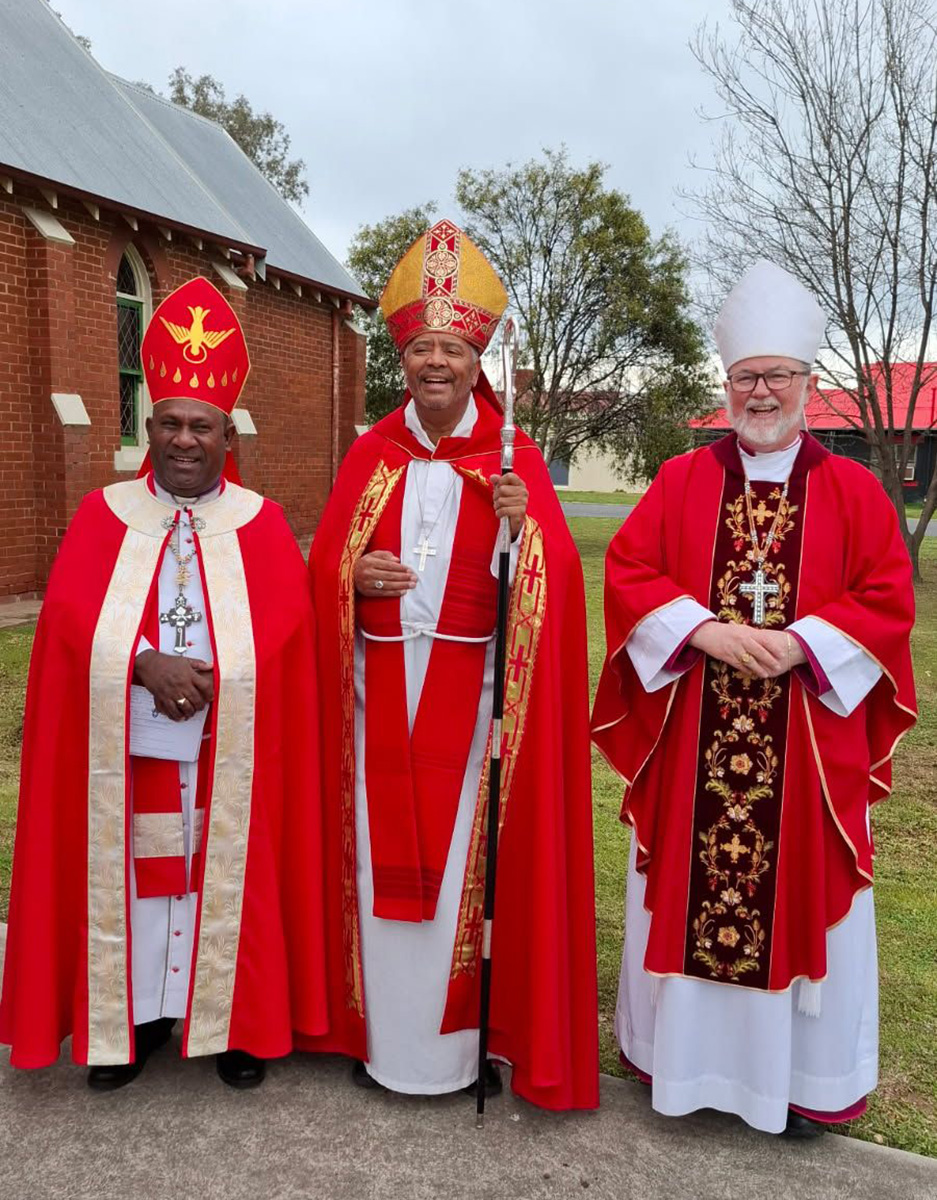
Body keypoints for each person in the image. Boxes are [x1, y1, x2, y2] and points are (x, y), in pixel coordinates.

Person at [592, 260, 917, 1137]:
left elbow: (888, 596)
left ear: (808, 384)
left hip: (805, 738)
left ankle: (798, 1085)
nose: (761, 391)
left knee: (802, 886)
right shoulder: (680, 480)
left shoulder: (852, 489)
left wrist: (799, 643)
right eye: (746, 377)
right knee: (691, 881)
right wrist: (701, 630)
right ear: (726, 384)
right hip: (696, 724)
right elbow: (627, 572)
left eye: (777, 375)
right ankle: (684, 1070)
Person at [0, 277, 327, 1090]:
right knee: (143, 874)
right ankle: (136, 1018)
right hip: (131, 741)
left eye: (201, 426)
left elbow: (290, 635)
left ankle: (234, 1024)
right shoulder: (102, 514)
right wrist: (144, 662)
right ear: (150, 427)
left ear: (226, 433)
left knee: (224, 870)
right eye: (171, 423)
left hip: (229, 745)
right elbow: (70, 624)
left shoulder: (262, 522)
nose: (185, 440)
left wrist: (223, 677)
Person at [302, 218, 598, 1110]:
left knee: (464, 873)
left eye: (452, 350)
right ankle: (381, 1041)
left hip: (475, 715)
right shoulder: (370, 454)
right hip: (375, 698)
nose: (436, 363)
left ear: (476, 361)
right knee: (373, 865)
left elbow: (556, 592)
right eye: (421, 348)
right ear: (404, 359)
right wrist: (350, 575)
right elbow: (320, 568)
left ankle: (460, 1050)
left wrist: (523, 527)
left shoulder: (516, 463)